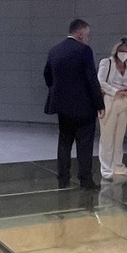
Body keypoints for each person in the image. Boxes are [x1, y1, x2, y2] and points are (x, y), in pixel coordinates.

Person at [44, 19, 105, 189]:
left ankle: (63, 176)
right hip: (84, 107)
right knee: (84, 144)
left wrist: (58, 92)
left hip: (62, 107)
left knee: (64, 142)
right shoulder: (84, 51)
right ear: (80, 34)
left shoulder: (54, 50)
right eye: (87, 35)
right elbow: (92, 79)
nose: (87, 38)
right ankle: (85, 179)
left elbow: (47, 75)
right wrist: (100, 104)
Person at [97, 36, 127, 180]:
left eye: (126, 51)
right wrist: (115, 91)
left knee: (119, 137)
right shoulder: (107, 62)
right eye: (121, 50)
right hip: (110, 102)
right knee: (107, 137)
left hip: (125, 103)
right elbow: (100, 82)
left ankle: (118, 165)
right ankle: (106, 168)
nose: (123, 53)